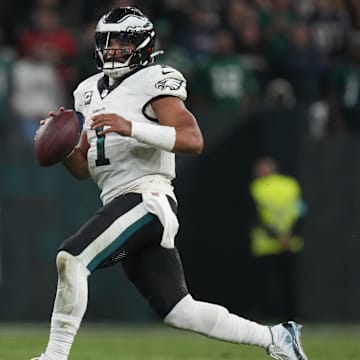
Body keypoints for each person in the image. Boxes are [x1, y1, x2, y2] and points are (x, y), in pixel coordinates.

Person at [31, 7, 307, 360]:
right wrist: (61, 144)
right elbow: (83, 168)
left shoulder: (155, 79)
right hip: (118, 200)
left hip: (148, 197)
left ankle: (54, 356)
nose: (113, 48)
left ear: (143, 45)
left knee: (72, 257)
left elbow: (193, 139)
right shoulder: (86, 91)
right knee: (179, 310)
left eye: (122, 41)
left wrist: (131, 127)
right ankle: (279, 338)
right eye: (107, 41)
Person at [249, 157, 306, 320]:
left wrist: (276, 236)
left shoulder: (257, 188)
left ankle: (270, 316)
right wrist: (291, 234)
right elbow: (301, 212)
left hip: (266, 245)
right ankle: (293, 317)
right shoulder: (291, 185)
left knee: (268, 285)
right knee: (290, 284)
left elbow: (256, 216)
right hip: (290, 243)